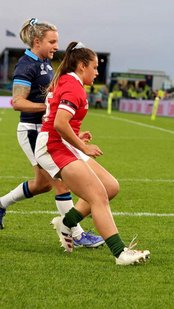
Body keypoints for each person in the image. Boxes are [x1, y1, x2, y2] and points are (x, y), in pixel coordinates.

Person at [34, 41, 150, 265]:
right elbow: (59, 123)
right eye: (94, 67)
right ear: (81, 66)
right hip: (54, 146)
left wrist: (77, 136)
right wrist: (82, 145)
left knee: (110, 187)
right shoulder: (72, 85)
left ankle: (66, 223)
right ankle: (120, 253)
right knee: (98, 196)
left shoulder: (71, 82)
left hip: (63, 143)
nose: (97, 72)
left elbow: (61, 120)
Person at [0, 18, 104, 247]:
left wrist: (72, 129)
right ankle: (75, 234)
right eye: (52, 41)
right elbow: (17, 102)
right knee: (61, 183)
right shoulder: (26, 65)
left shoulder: (45, 63)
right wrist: (50, 110)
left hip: (46, 129)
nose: (57, 46)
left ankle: (0, 204)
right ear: (37, 42)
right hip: (33, 130)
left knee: (42, 184)